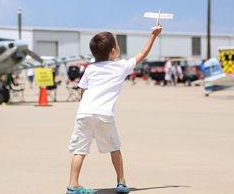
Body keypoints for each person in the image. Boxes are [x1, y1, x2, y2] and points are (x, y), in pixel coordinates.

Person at [66, 24, 162, 194]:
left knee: (79, 150)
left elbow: (83, 90)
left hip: (84, 112)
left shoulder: (90, 68)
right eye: (117, 45)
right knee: (114, 148)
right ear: (113, 51)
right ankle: (121, 182)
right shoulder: (120, 67)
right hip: (104, 114)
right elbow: (142, 54)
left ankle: (73, 185)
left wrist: (86, 106)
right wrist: (153, 35)